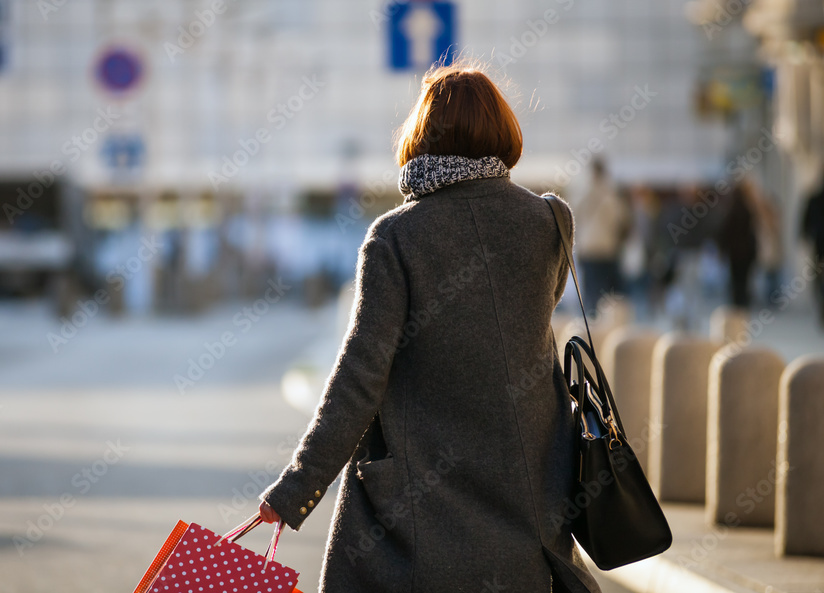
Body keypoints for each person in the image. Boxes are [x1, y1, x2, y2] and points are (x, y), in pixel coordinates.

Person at [256, 63, 600, 593]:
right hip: (534, 486)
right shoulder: (550, 221)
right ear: (501, 131)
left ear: (421, 134)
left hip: (425, 499)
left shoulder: (396, 235)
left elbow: (360, 374)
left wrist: (297, 488)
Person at [568, 157, 629, 316]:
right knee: (608, 292)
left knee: (591, 290)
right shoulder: (611, 193)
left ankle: (591, 322)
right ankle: (606, 323)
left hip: (588, 248)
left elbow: (573, 215)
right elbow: (620, 220)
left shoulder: (582, 191)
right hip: (608, 248)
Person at [716, 180, 759, 308]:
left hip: (735, 253)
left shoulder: (731, 210)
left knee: (736, 280)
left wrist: (723, 249)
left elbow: (723, 233)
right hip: (745, 252)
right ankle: (742, 302)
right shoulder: (747, 210)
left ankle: (738, 303)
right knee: (743, 280)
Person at [802, 171, 824, 326]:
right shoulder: (813, 199)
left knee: (819, 283)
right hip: (819, 249)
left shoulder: (814, 199)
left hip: (819, 248)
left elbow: (805, 226)